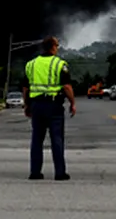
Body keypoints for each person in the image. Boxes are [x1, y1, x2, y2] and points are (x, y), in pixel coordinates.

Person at [21, 35, 76, 181]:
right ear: (52, 47)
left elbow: (26, 88)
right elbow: (66, 86)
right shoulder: (60, 64)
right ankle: (60, 173)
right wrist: (72, 103)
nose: (58, 48)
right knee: (57, 139)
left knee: (37, 139)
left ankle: (35, 172)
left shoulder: (31, 64)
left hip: (36, 105)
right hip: (53, 105)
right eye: (57, 45)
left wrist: (27, 105)